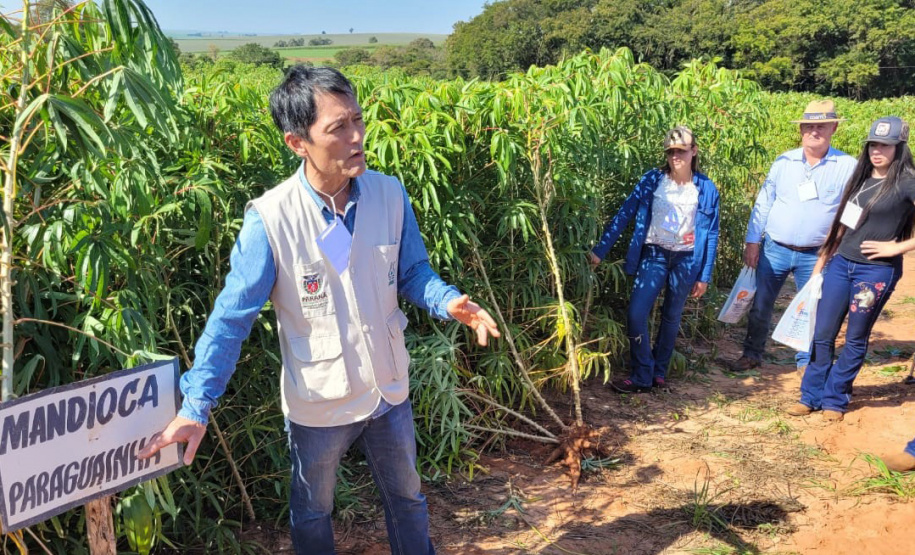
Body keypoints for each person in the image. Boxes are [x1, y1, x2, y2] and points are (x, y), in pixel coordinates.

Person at [138, 66, 500, 554]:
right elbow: (231, 319)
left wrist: (448, 301)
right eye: (338, 127)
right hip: (319, 402)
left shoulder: (389, 194)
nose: (356, 137)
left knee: (408, 500)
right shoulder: (270, 219)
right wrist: (197, 406)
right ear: (297, 142)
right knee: (312, 512)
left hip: (388, 389)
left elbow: (412, 272)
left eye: (358, 120)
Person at [787, 116, 915, 422]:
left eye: (885, 145)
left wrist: (896, 247)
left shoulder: (907, 182)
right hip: (840, 264)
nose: (877, 151)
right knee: (823, 333)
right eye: (873, 144)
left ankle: (835, 399)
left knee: (856, 337)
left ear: (900, 148)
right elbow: (842, 226)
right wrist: (821, 264)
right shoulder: (862, 178)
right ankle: (810, 396)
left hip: (875, 272)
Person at [589, 126, 720, 393]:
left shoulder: (705, 188)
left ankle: (658, 372)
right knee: (636, 313)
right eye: (671, 151)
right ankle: (642, 373)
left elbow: (713, 231)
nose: (676, 156)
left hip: (686, 259)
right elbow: (625, 213)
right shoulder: (652, 180)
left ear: (693, 151)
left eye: (681, 151)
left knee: (671, 316)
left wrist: (704, 275)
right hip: (654, 254)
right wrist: (600, 250)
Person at [731, 100, 857, 373]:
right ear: (800, 129)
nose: (814, 131)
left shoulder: (848, 166)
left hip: (817, 253)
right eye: (809, 126)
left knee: (811, 308)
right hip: (774, 248)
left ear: (833, 128)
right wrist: (753, 241)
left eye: (821, 126)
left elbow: (852, 210)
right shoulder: (784, 162)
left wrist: (839, 245)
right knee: (761, 305)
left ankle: (804, 362)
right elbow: (764, 202)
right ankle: (752, 354)